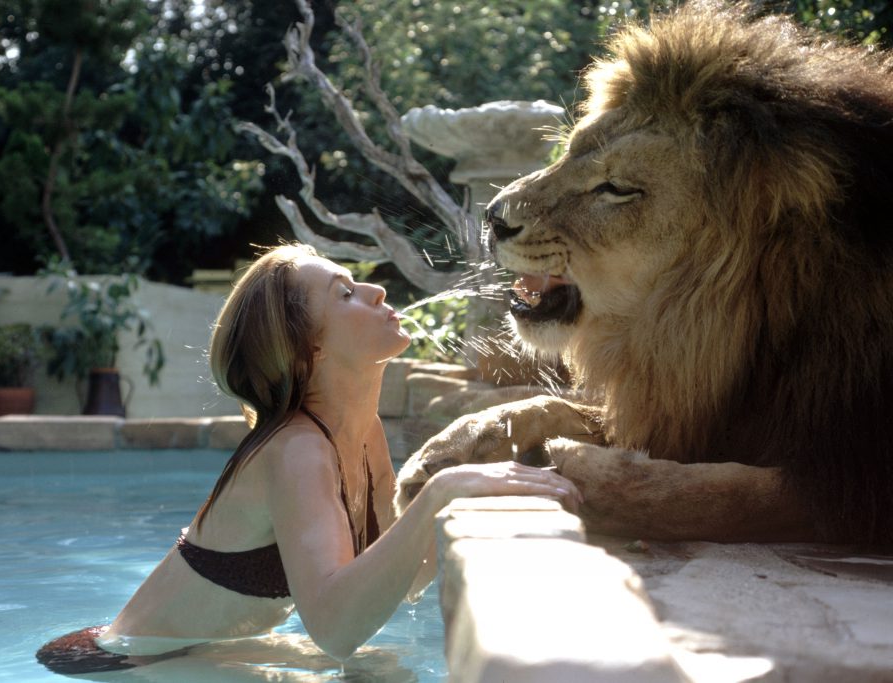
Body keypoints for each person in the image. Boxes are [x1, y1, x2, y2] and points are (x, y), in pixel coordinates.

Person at [37, 243, 582, 675]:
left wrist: (482, 492)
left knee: (383, 670)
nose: (376, 290)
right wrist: (442, 491)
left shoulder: (359, 431)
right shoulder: (298, 449)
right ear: (310, 349)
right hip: (126, 663)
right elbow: (335, 628)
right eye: (344, 294)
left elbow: (405, 578)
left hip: (193, 652)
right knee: (377, 674)